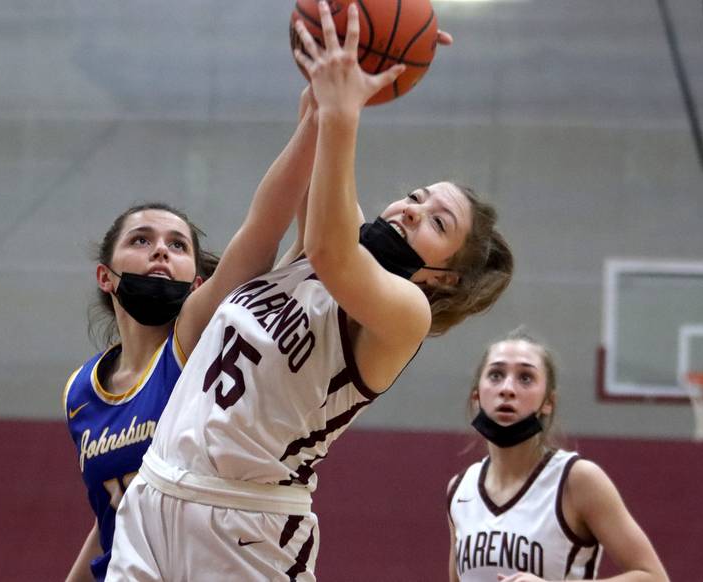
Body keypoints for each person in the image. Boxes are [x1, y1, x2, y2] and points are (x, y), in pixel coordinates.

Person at [106, 3, 512, 580]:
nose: (411, 211)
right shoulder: (321, 246)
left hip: (248, 525)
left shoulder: (404, 314)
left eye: (436, 223)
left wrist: (345, 113)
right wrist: (342, 57)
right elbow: (286, 188)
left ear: (442, 276)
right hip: (157, 491)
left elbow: (330, 249)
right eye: (417, 197)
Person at [63, 202, 218, 581]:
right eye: (141, 239)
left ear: (198, 284)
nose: (161, 249)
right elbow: (113, 518)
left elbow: (262, 242)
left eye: (178, 245)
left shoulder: (197, 348)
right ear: (105, 276)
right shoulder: (80, 390)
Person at [446, 328, 670, 582]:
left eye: (526, 378)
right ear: (476, 395)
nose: (507, 388)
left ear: (548, 401)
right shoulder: (460, 489)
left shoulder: (578, 480)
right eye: (496, 375)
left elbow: (654, 577)